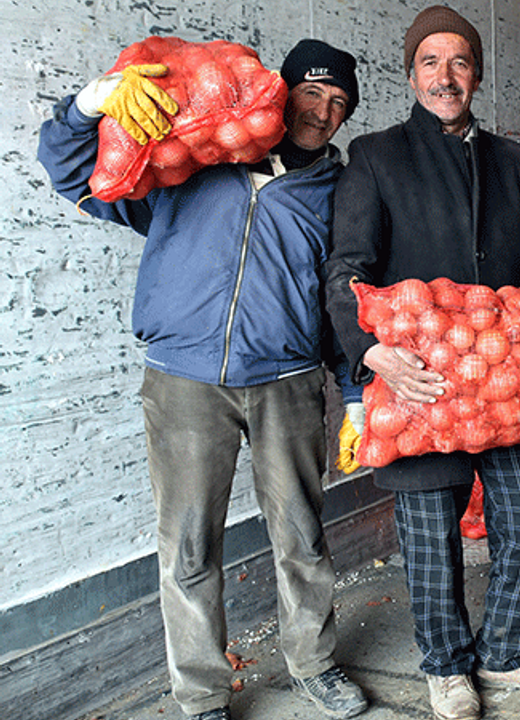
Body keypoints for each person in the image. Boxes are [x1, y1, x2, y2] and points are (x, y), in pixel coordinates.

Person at [37, 39, 369, 720]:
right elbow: (77, 175)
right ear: (282, 91)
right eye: (313, 93)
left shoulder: (338, 192)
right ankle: (201, 693)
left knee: (302, 537)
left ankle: (314, 663)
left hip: (290, 381)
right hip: (184, 382)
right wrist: (90, 103)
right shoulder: (193, 162)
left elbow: (344, 302)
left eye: (338, 103)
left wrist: (359, 398)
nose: (323, 111)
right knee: (188, 545)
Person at [324, 6, 520, 720]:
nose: (445, 77)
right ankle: (447, 667)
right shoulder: (377, 156)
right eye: (430, 63)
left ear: (476, 74)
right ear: (412, 74)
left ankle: (507, 652)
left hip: (506, 380)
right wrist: (371, 353)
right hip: (420, 381)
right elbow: (345, 271)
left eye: (458, 63)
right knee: (430, 537)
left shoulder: (510, 160)